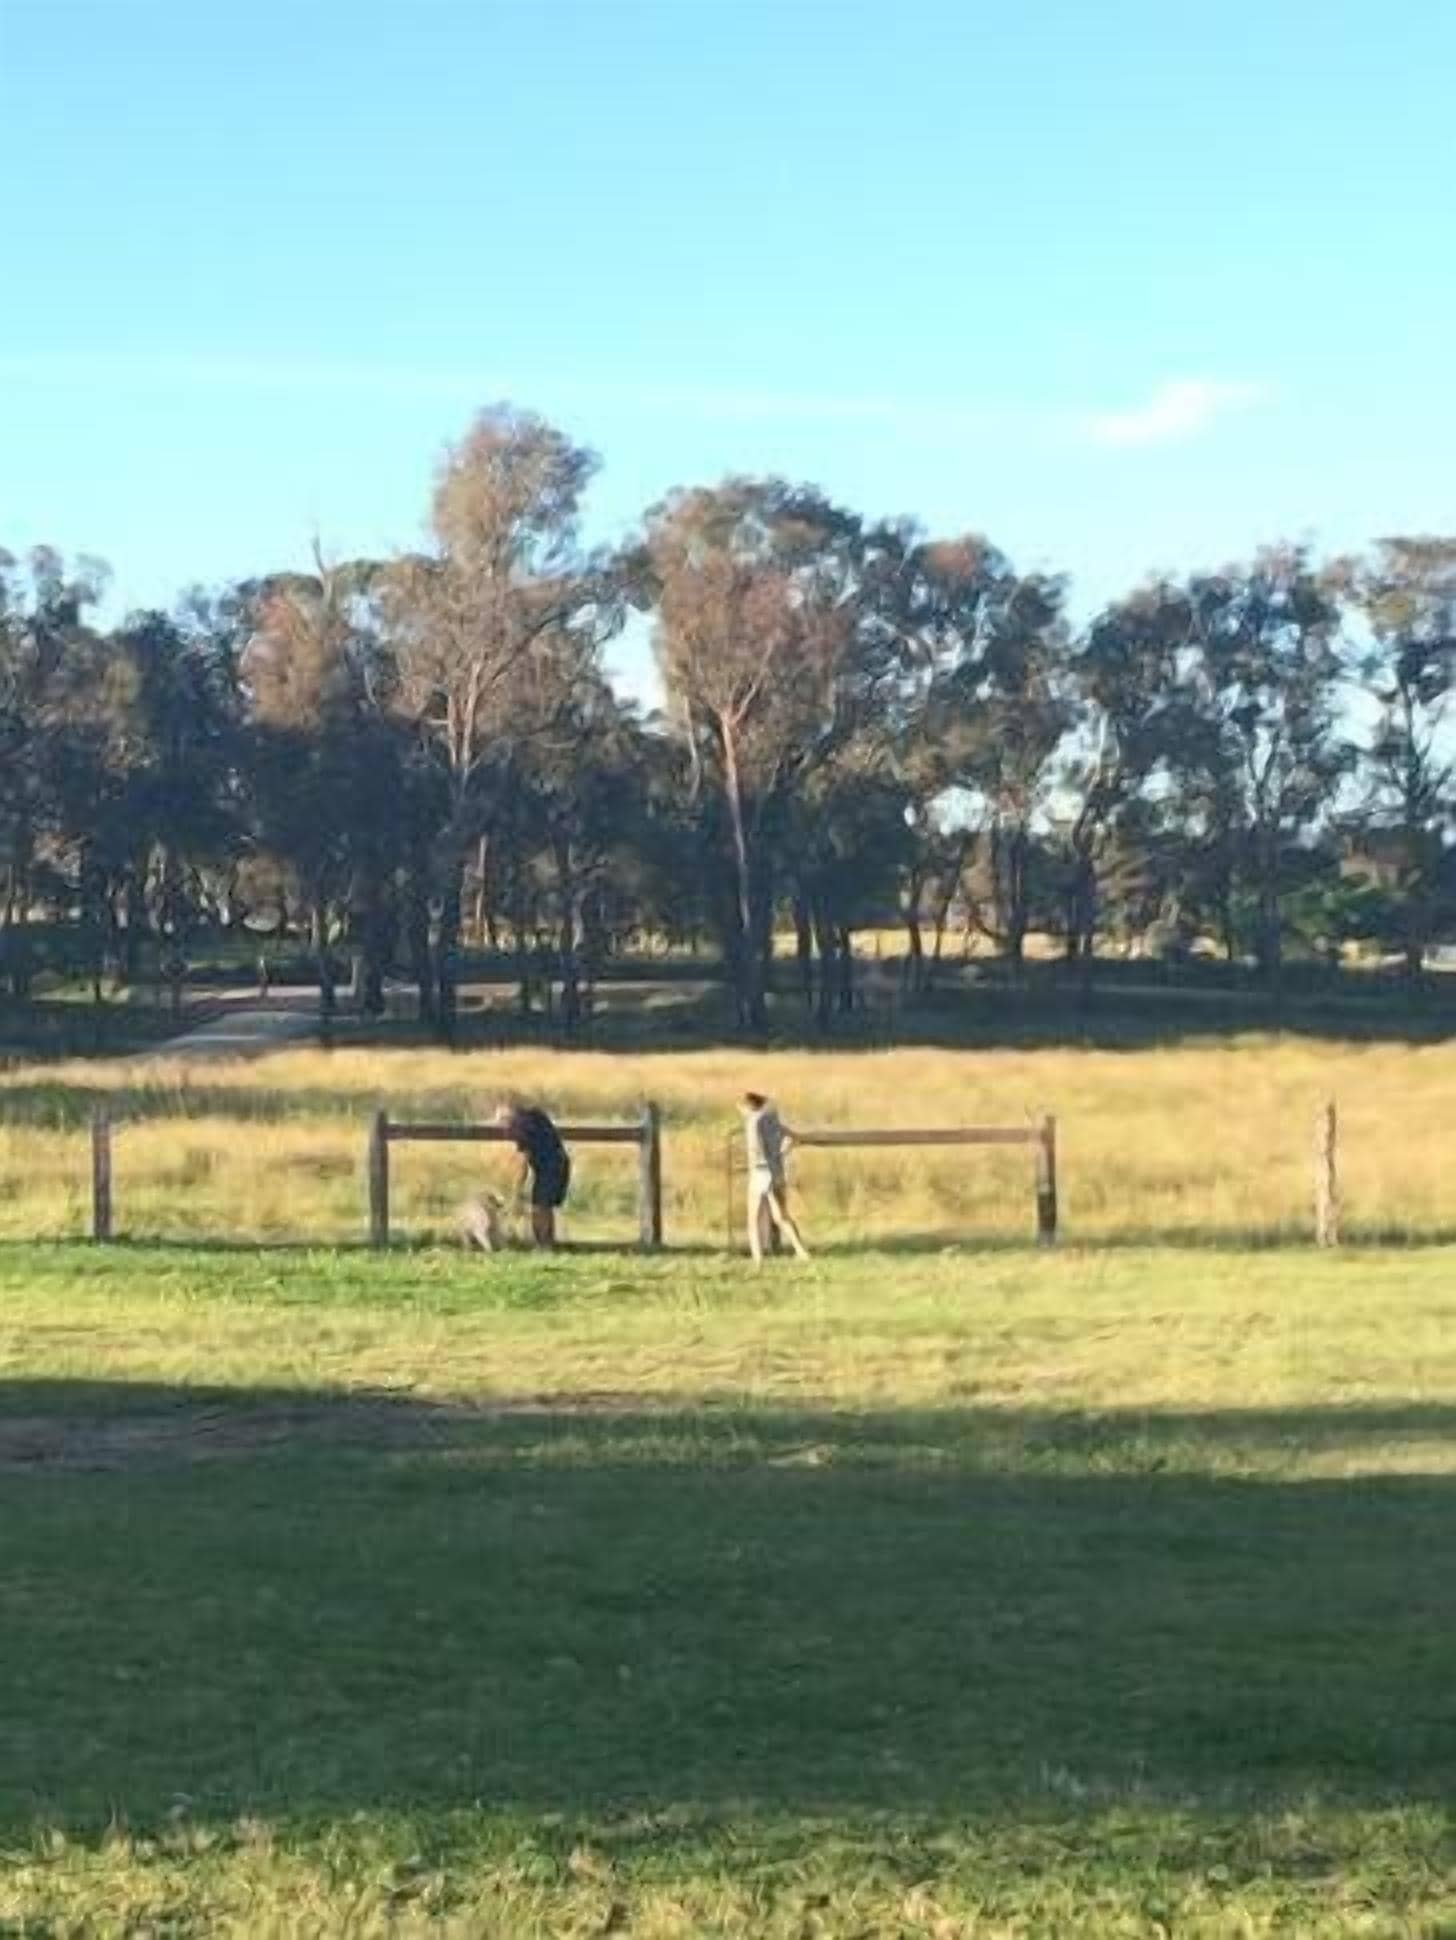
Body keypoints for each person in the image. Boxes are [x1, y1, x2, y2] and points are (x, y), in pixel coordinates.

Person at [739, 1091, 810, 1265]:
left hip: (760, 1171)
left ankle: (758, 1259)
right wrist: (781, 1154)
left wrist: (752, 1165)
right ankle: (801, 1251)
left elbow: (755, 1148)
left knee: (753, 1218)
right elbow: (794, 1137)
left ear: (748, 1107)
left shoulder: (753, 1122)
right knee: (781, 1216)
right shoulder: (772, 1120)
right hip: (775, 1171)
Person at [494, 1099, 571, 1248]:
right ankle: (546, 1243)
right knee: (544, 1207)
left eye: (504, 1124)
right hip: (558, 1163)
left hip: (550, 1167)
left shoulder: (521, 1126)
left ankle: (543, 1244)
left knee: (540, 1208)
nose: (505, 1131)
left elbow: (523, 1162)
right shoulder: (532, 1116)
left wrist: (518, 1189)